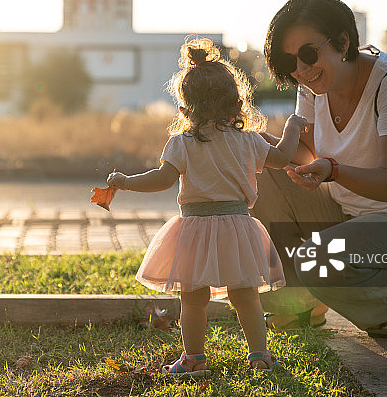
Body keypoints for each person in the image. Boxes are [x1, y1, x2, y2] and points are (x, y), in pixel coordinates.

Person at [106, 37, 308, 375]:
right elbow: (283, 157)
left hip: (194, 230)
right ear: (238, 104)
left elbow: (161, 179)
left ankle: (194, 359)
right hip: (238, 227)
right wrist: (293, 126)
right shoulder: (248, 139)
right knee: (246, 297)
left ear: (185, 110)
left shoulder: (182, 143)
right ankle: (259, 356)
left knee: (192, 299)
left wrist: (125, 181)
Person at [256, 0, 387, 338]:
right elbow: (309, 154)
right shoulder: (312, 88)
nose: (301, 69)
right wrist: (262, 144)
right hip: (348, 212)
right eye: (290, 61)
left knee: (315, 259)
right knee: (261, 172)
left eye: (308, 53)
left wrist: (333, 171)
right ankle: (298, 307)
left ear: (343, 41)